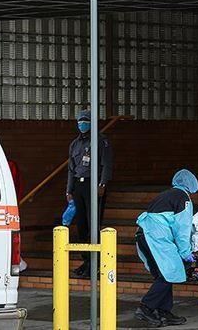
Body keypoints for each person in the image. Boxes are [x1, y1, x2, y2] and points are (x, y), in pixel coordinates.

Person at [134, 169, 198, 327]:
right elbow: (182, 230)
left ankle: (163, 311)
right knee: (169, 273)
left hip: (143, 235)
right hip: (157, 238)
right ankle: (146, 308)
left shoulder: (166, 194)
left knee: (164, 275)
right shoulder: (183, 199)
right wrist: (186, 253)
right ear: (192, 184)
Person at [65, 109, 113, 278]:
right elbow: (71, 169)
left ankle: (96, 263)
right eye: (80, 121)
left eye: (85, 121)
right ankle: (86, 261)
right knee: (81, 226)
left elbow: (107, 164)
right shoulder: (75, 144)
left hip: (94, 184)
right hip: (78, 186)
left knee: (94, 224)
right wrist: (69, 190)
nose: (82, 124)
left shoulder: (100, 141)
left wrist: (103, 184)